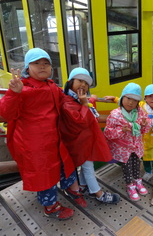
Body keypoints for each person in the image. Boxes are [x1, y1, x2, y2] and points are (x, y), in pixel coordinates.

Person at [0, 48, 84, 220]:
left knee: (64, 165)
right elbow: (6, 113)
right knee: (44, 175)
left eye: (46, 63)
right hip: (35, 144)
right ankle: (50, 207)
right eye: (36, 63)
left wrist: (89, 100)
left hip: (56, 139)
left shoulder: (51, 85)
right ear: (27, 67)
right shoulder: (22, 87)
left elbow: (65, 100)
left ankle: (70, 189)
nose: (42, 67)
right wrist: (13, 93)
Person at [59, 67, 120, 204]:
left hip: (84, 141)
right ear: (70, 82)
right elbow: (81, 121)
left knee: (86, 167)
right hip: (80, 143)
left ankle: (82, 186)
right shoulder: (67, 103)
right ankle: (98, 193)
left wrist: (88, 101)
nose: (83, 85)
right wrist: (86, 104)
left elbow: (85, 110)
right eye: (80, 80)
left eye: (86, 83)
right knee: (88, 168)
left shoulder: (74, 100)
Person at [104, 83, 151, 201]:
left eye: (134, 100)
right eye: (128, 98)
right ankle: (130, 186)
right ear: (122, 98)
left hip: (136, 146)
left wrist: (145, 124)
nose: (130, 102)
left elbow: (144, 130)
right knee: (127, 167)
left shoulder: (140, 113)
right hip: (123, 149)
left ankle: (138, 182)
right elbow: (108, 133)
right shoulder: (115, 115)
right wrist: (121, 131)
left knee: (136, 164)